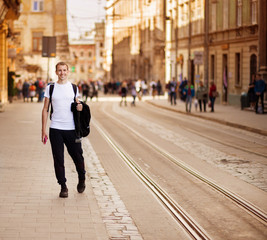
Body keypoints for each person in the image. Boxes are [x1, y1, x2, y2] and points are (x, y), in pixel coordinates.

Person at [41, 62, 86, 198]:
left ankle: (82, 178)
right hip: (56, 129)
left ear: (68, 72)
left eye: (64, 70)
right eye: (59, 70)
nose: (62, 73)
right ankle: (63, 186)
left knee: (78, 156)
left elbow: (78, 105)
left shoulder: (73, 88)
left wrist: (80, 107)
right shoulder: (51, 88)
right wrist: (43, 130)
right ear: (56, 72)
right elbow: (45, 109)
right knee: (58, 159)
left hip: (72, 128)